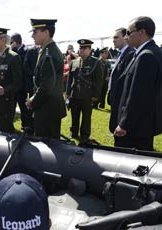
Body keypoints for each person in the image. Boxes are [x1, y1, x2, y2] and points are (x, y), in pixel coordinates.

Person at [114, 16, 162, 151]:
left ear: (142, 32)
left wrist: (124, 124)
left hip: (135, 128)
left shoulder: (146, 56)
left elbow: (139, 95)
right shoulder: (152, 52)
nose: (126, 36)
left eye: (129, 32)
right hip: (142, 124)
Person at [26, 19, 66, 139]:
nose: (33, 35)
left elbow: (47, 86)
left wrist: (32, 101)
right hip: (46, 108)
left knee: (47, 147)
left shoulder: (50, 53)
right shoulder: (46, 50)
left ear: (46, 32)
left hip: (48, 110)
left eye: (35, 32)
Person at [66, 39, 103, 143]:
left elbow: (98, 81)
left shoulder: (96, 62)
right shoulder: (74, 62)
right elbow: (70, 79)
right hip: (75, 95)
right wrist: (68, 93)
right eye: (80, 48)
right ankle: (74, 133)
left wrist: (95, 95)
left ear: (90, 50)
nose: (81, 50)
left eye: (84, 48)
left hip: (88, 95)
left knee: (86, 117)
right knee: (74, 115)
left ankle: (85, 136)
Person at [108, 28, 135, 141]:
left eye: (116, 37)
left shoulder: (130, 54)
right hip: (116, 101)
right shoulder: (122, 53)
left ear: (125, 37)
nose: (113, 40)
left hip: (121, 102)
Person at [10, 33, 33, 133]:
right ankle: (9, 126)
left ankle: (26, 126)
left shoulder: (27, 51)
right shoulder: (12, 52)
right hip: (14, 85)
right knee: (11, 106)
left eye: (11, 42)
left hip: (23, 86)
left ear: (15, 42)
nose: (10, 44)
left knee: (23, 108)